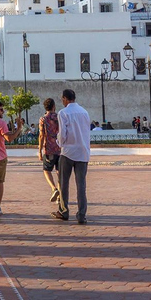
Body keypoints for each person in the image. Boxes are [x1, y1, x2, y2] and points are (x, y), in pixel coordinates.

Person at [52, 89, 91, 225]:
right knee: (81, 185)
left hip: (68, 151)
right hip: (83, 152)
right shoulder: (84, 112)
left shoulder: (63, 113)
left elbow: (63, 133)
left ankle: (64, 211)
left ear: (65, 98)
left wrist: (60, 143)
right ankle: (81, 215)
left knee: (63, 183)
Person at [38, 98, 61, 204]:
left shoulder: (43, 119)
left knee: (47, 170)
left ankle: (54, 188)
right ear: (54, 106)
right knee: (59, 172)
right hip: (60, 148)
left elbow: (41, 135)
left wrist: (39, 150)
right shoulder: (59, 117)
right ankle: (60, 196)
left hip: (49, 149)